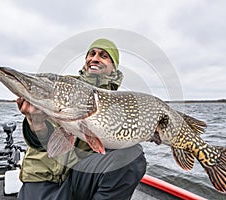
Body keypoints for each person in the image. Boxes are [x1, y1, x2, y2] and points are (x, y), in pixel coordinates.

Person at [16, 38, 147, 200]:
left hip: (79, 178)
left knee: (132, 155)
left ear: (114, 68)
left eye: (104, 55)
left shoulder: (118, 102)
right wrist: (35, 122)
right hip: (43, 179)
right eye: (91, 53)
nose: (94, 58)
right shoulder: (62, 86)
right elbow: (42, 140)